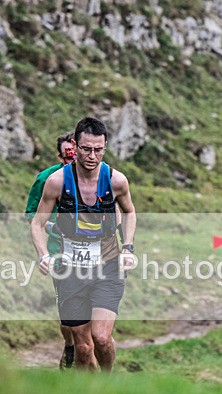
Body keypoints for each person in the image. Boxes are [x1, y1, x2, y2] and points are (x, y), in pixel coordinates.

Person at [31, 117, 137, 372]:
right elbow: (37, 222)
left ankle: (108, 380)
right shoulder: (56, 182)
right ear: (75, 147)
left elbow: (130, 212)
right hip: (71, 269)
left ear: (105, 147)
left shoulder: (116, 181)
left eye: (98, 149)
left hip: (107, 266)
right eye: (86, 149)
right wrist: (44, 255)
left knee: (101, 338)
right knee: (83, 346)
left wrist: (128, 247)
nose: (92, 156)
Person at [25, 132, 78, 369]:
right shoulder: (47, 179)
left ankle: (90, 353)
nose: (73, 162)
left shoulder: (101, 176)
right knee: (69, 318)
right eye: (68, 158)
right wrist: (52, 227)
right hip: (60, 252)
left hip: (96, 253)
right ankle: (70, 346)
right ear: (60, 157)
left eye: (76, 156)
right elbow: (31, 216)